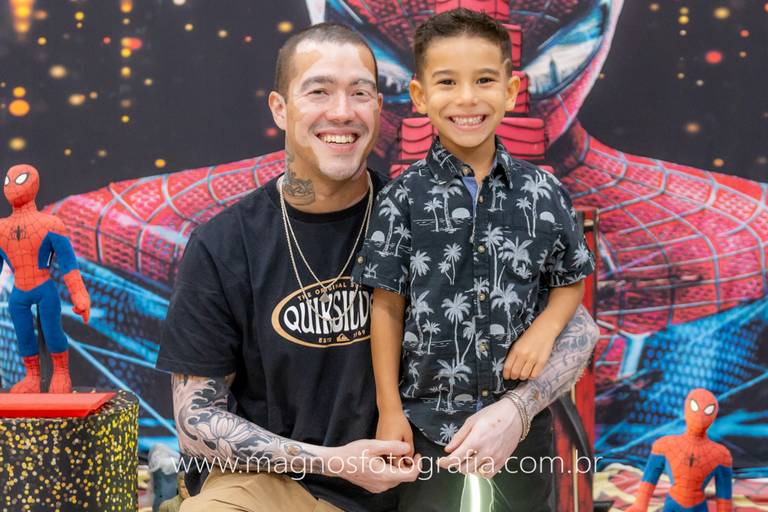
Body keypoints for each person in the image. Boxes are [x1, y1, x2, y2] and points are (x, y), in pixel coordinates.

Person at [155, 21, 599, 512]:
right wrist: (332, 462)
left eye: (360, 92)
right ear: (280, 108)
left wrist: (516, 409)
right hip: (280, 488)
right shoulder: (224, 245)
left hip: (413, 486)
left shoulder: (429, 209)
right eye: (319, 91)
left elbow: (577, 327)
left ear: (382, 108)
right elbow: (195, 421)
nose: (341, 111)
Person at [350, 9, 595, 511]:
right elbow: (387, 307)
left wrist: (545, 329)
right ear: (420, 95)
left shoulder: (543, 192)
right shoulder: (402, 199)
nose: (466, 98)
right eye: (447, 82)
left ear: (511, 90)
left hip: (521, 425)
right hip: (427, 424)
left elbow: (570, 278)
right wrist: (390, 410)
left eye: (484, 80)